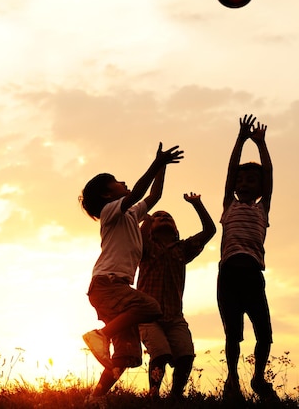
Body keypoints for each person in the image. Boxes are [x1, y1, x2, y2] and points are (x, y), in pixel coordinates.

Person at [79, 142, 184, 407]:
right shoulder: (110, 211)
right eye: (116, 181)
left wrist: (163, 168)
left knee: (126, 356)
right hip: (108, 285)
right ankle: (100, 335)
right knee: (150, 306)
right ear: (105, 195)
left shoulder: (128, 215)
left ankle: (95, 398)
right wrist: (156, 163)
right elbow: (138, 191)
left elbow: (153, 196)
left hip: (115, 289)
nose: (122, 182)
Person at [218, 114, 278, 404]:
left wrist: (261, 144)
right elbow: (230, 171)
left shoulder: (263, 208)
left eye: (251, 180)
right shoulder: (229, 205)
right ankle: (232, 378)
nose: (244, 183)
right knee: (233, 334)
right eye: (241, 180)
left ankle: (258, 377)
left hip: (253, 275)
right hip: (229, 275)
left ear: (260, 186)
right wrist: (240, 139)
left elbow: (269, 173)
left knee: (264, 334)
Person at [137, 192, 216, 400]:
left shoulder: (183, 249)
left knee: (186, 355)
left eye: (168, 217)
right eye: (158, 217)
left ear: (176, 230)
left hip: (174, 317)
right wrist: (146, 220)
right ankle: (153, 395)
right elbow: (139, 237)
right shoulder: (145, 248)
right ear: (151, 228)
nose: (163, 218)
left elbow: (210, 230)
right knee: (161, 353)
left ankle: (175, 397)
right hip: (147, 317)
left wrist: (197, 204)